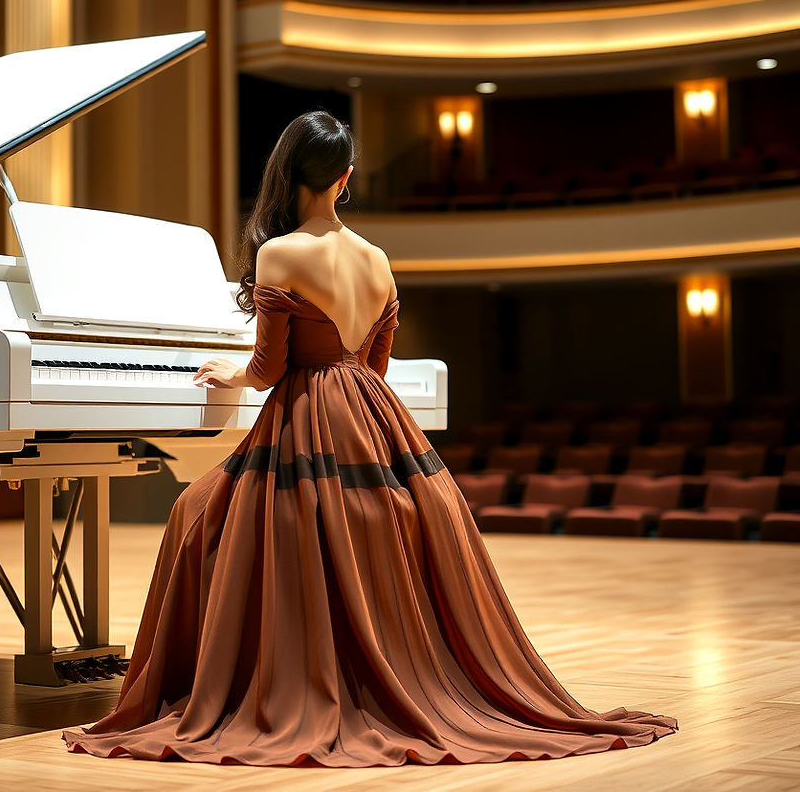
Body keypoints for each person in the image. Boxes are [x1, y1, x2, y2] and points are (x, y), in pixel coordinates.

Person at [62, 110, 678, 766]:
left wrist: (230, 373)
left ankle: (233, 679)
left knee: (195, 512)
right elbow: (375, 365)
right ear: (345, 178)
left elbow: (270, 371)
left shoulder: (280, 252)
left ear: (284, 174)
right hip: (374, 415)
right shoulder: (376, 259)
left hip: (306, 416)